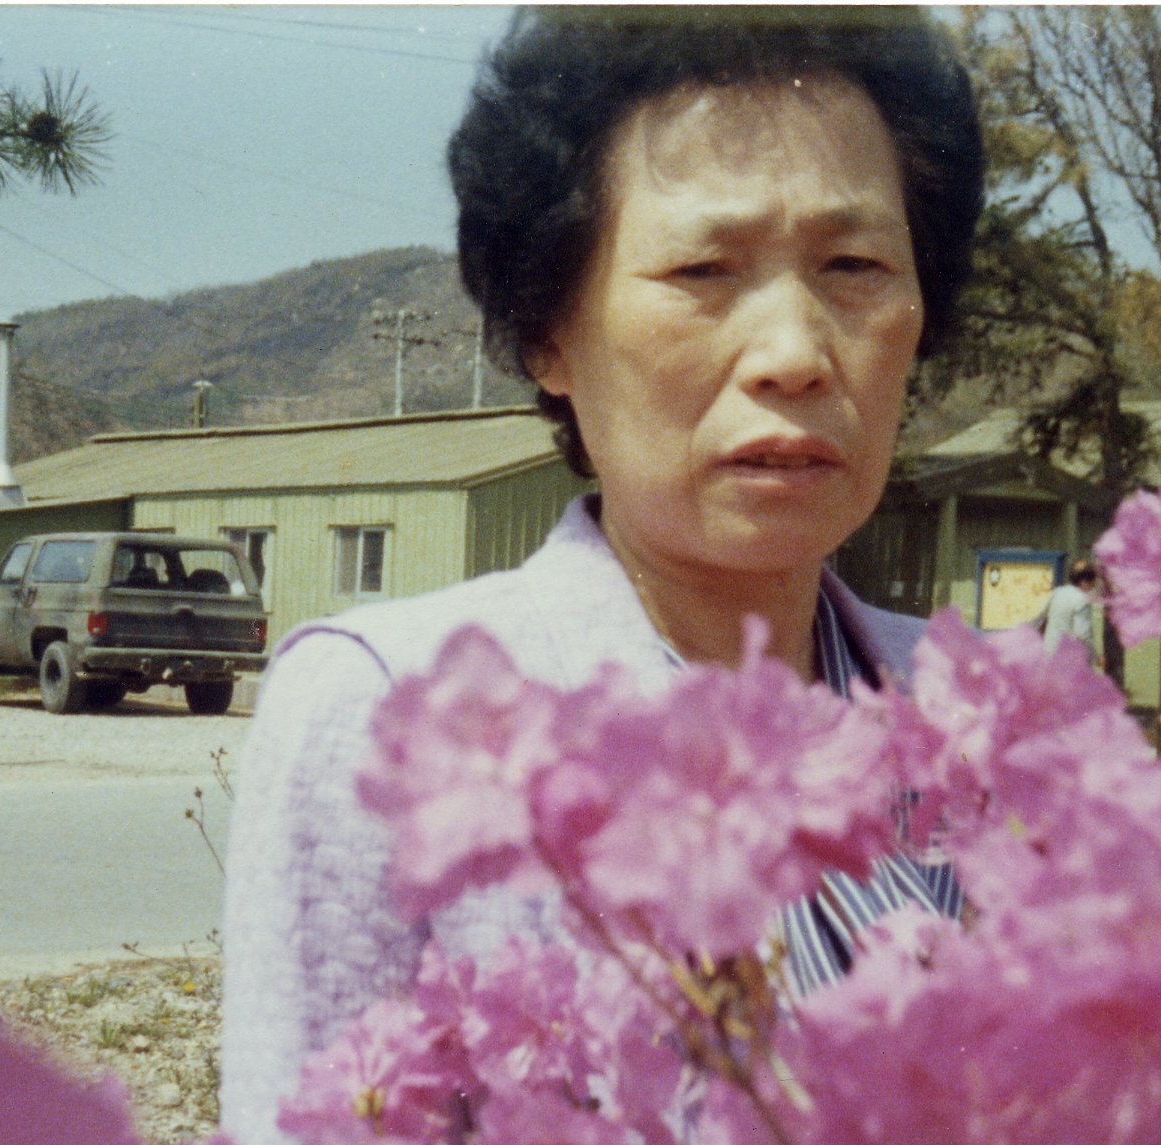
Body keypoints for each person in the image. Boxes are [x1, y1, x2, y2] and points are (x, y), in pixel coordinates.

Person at [219, 9, 984, 1143]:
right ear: (549, 333)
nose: (794, 351)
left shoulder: (973, 713)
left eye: (855, 264)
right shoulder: (392, 712)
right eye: (703, 269)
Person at [1039, 558, 1100, 660]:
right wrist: (1095, 655)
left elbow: (1042, 618)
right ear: (1086, 581)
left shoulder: (1057, 592)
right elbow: (1082, 634)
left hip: (1049, 653)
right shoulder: (1082, 600)